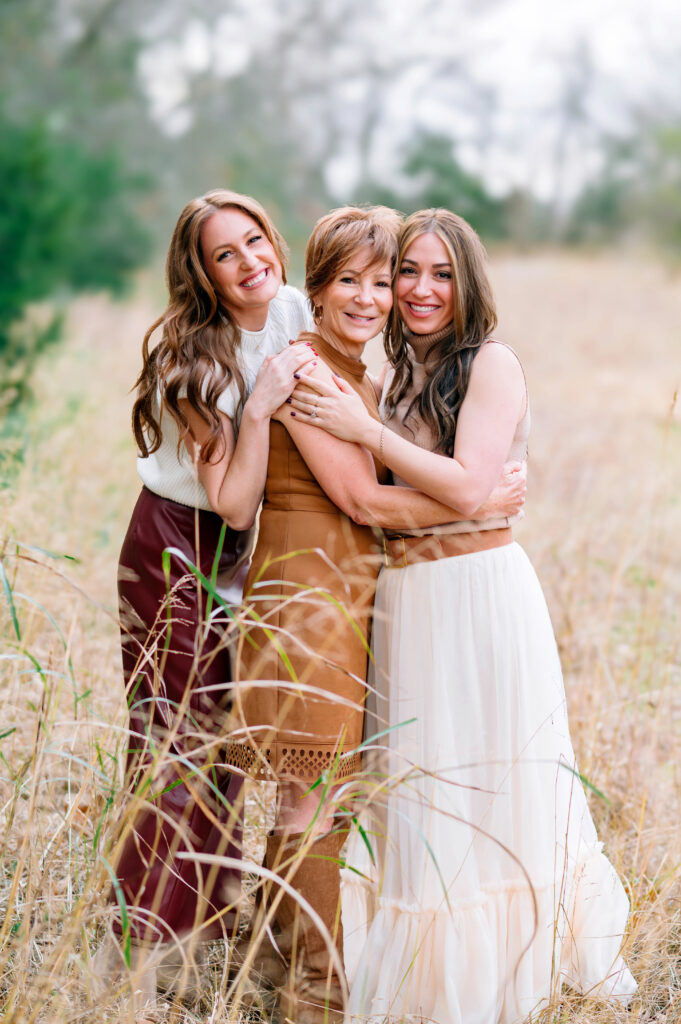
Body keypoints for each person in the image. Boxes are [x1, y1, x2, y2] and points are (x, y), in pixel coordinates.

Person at [288, 208, 637, 1022]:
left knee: (497, 774)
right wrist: (461, 497)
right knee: (423, 786)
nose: (417, 289)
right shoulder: (393, 370)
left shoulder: (492, 363)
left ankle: (515, 963)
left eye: (439, 273)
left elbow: (468, 482)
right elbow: (437, 495)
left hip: (480, 598)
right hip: (409, 603)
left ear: (467, 282)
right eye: (405, 270)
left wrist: (380, 440)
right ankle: (425, 976)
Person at [223, 205, 526, 1023]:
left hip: (347, 601)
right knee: (310, 799)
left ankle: (277, 968)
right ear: (312, 289)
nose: (367, 297)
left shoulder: (359, 373)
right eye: (345, 281)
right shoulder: (309, 373)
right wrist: (481, 506)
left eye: (375, 280)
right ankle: (314, 1000)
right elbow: (364, 500)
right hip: (307, 605)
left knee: (320, 797)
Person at [96, 189, 317, 1006]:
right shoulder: (194, 358)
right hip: (178, 546)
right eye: (226, 255)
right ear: (203, 274)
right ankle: (139, 946)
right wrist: (257, 407)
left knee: (225, 738)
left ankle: (210, 925)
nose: (249, 261)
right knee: (174, 741)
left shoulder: (296, 308)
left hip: (247, 554)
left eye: (254, 239)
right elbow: (230, 501)